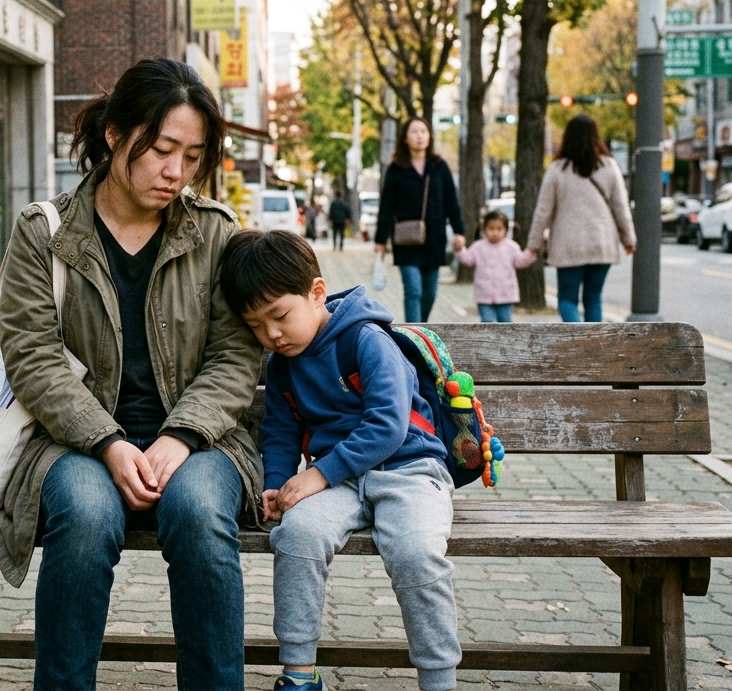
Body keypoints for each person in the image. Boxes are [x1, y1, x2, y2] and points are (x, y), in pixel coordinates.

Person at [0, 58, 265, 690]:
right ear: (115, 134)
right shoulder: (45, 232)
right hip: (74, 444)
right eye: (162, 150)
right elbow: (32, 356)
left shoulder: (215, 233)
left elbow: (235, 357)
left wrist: (182, 435)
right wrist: (109, 442)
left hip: (201, 443)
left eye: (192, 157)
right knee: (87, 517)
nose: (176, 172)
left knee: (200, 513)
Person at [219, 230, 461, 691]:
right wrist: (276, 483)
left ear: (316, 293)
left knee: (415, 554)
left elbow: (388, 426)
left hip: (410, 470)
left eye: (279, 316)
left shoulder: (367, 339)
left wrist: (317, 474)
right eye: (255, 325)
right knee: (297, 536)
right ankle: (298, 673)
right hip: (340, 484)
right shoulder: (283, 364)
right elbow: (280, 429)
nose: (271, 334)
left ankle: (438, 679)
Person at [526, 114, 636, 323]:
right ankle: (593, 343)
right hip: (601, 242)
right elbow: (621, 207)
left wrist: (534, 244)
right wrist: (629, 239)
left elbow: (543, 211)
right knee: (593, 299)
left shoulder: (557, 169)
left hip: (567, 244)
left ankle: (578, 340)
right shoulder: (609, 165)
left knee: (567, 299)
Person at [375, 118, 466, 322]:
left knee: (429, 294)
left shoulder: (439, 167)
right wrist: (380, 240)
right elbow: (386, 206)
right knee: (414, 290)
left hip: (434, 239)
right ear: (405, 138)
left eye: (423, 131)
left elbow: (452, 201)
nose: (419, 136)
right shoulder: (396, 169)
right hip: (406, 240)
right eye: (414, 132)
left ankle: (420, 328)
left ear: (429, 136)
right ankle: (414, 336)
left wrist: (459, 231)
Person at [453, 210, 536, 323]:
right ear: (484, 229)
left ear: (506, 230)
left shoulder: (511, 247)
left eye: (499, 229)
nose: (495, 232)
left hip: (506, 295)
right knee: (487, 321)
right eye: (491, 229)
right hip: (484, 295)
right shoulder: (478, 247)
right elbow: (468, 259)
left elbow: (520, 261)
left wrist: (531, 253)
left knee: (505, 322)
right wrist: (460, 250)